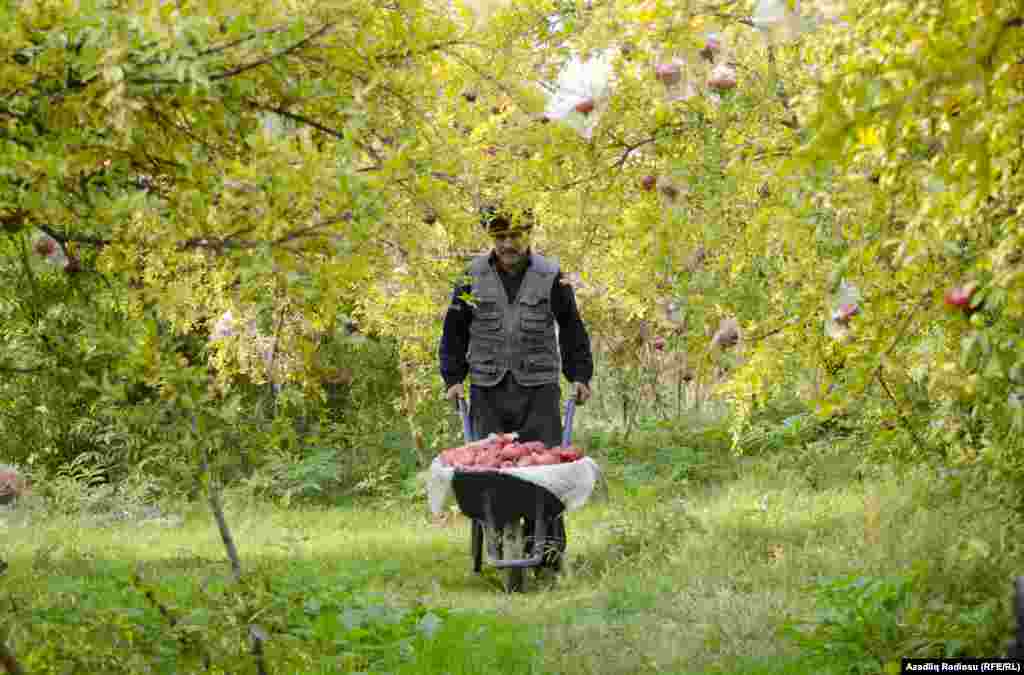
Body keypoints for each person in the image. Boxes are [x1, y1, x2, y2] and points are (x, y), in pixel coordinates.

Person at [438, 205, 594, 448]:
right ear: (491, 236)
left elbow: (571, 327)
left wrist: (580, 376)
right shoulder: (471, 275)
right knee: (489, 472)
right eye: (500, 237)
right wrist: (453, 378)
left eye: (515, 235)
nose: (508, 244)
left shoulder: (550, 274)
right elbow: (454, 331)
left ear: (528, 233)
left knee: (542, 470)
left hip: (539, 393)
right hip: (487, 393)